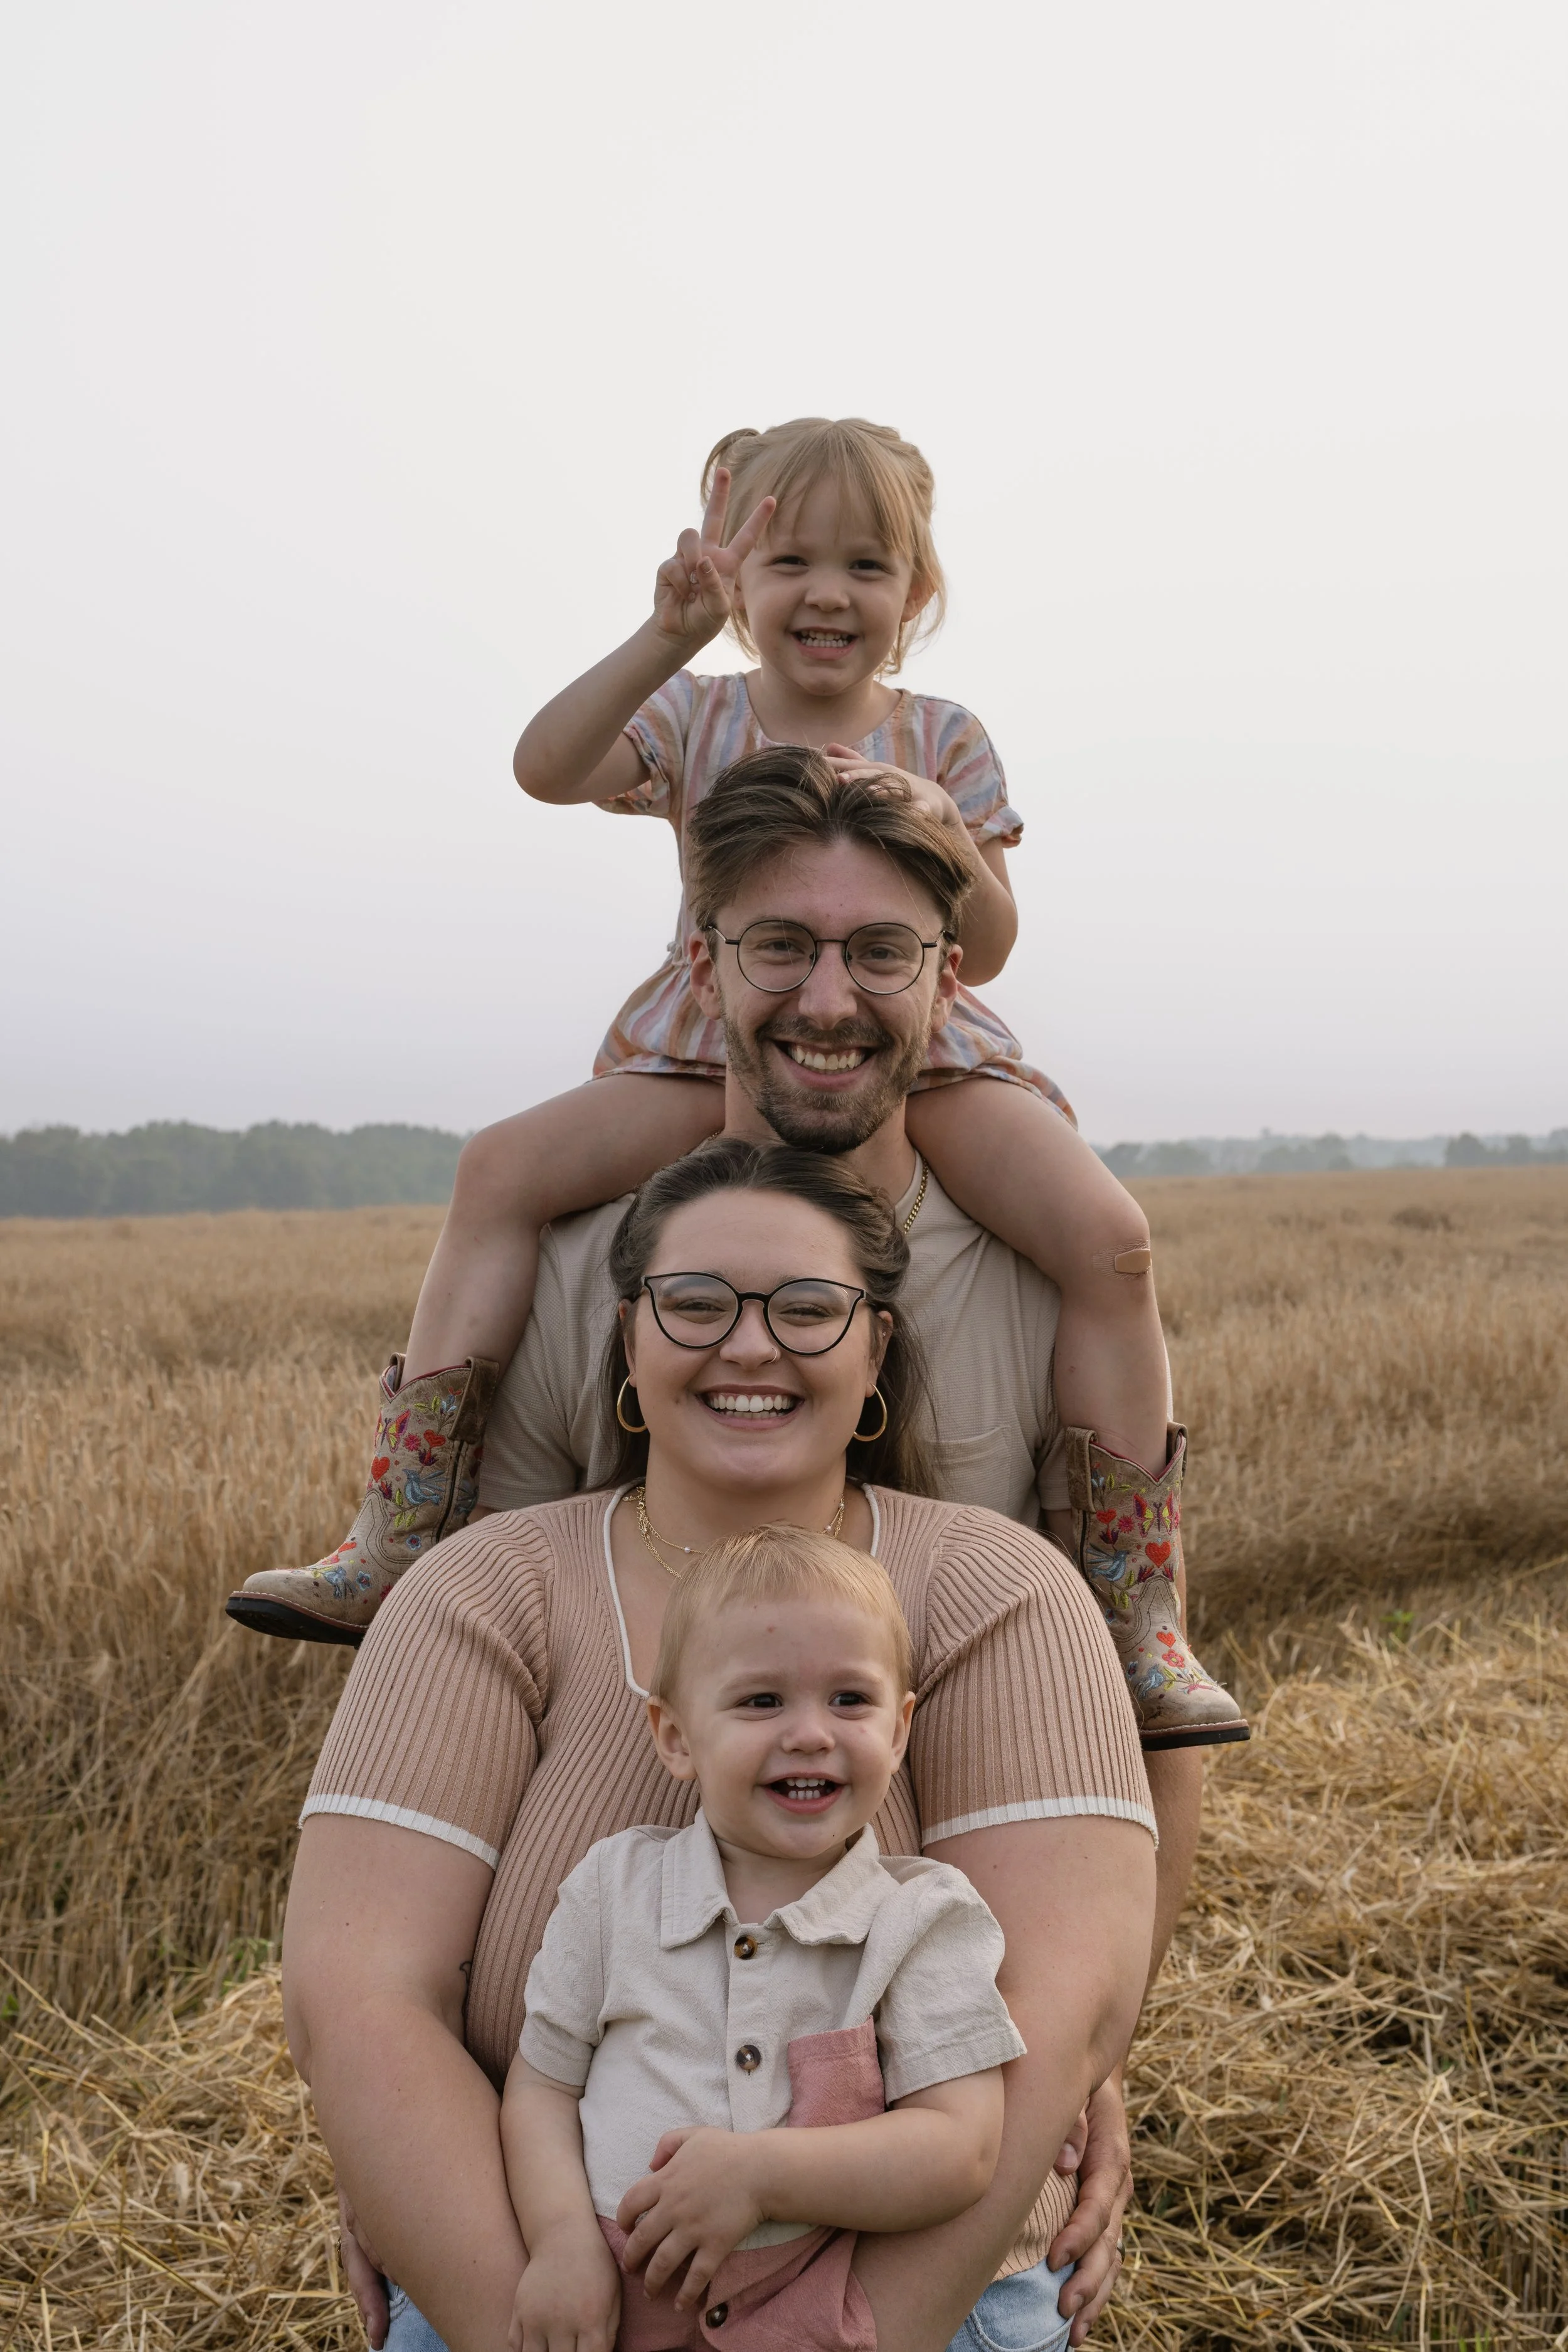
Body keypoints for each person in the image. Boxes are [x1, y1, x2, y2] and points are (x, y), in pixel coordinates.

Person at [234, 457, 1246, 1747]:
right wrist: (665, 635)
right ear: (739, 583)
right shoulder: (699, 709)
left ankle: (1129, 1614)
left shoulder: (944, 735)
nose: (827, 593)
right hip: (705, 1044)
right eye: (789, 561)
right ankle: (401, 1532)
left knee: (1109, 1240)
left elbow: (985, 948)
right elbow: (546, 768)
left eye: (865, 565)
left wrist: (938, 829)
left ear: (915, 592)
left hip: (931, 1052)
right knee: (496, 1169)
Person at [281, 1138, 1157, 2352]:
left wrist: (841, 2338)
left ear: (875, 1352)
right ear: (629, 1342)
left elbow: (1063, 2010)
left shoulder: (1001, 1590)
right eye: (695, 1303)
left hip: (918, 2304)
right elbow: (358, 2000)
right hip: (539, 2290)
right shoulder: (479, 1593)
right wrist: (522, 2308)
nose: (750, 1345)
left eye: (807, 1308)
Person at [504, 1526, 1028, 2352]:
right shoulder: (615, 1887)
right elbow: (541, 2086)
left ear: (898, 1731)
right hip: (599, 2308)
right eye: (761, 1701)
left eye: (850, 1700)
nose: (812, 1733)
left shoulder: (920, 1917)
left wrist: (759, 2177)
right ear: (676, 1737)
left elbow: (960, 2148)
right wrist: (561, 2238)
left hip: (802, 2316)